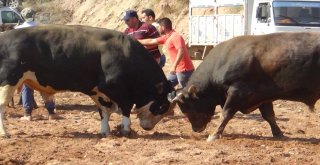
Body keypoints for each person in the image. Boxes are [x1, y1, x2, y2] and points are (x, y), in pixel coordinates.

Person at [15, 7, 61, 121]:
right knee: (44, 86)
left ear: (22, 17)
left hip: (25, 62)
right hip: (42, 61)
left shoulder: (17, 29)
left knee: (27, 86)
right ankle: (51, 112)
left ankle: (27, 114)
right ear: (34, 16)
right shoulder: (42, 28)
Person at [139, 17, 194, 88]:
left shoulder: (175, 36)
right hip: (177, 70)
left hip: (184, 70)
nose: (158, 29)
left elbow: (181, 51)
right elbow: (151, 41)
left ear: (163, 27)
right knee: (166, 86)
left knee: (187, 91)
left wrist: (174, 66)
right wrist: (134, 40)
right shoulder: (167, 37)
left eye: (159, 27)